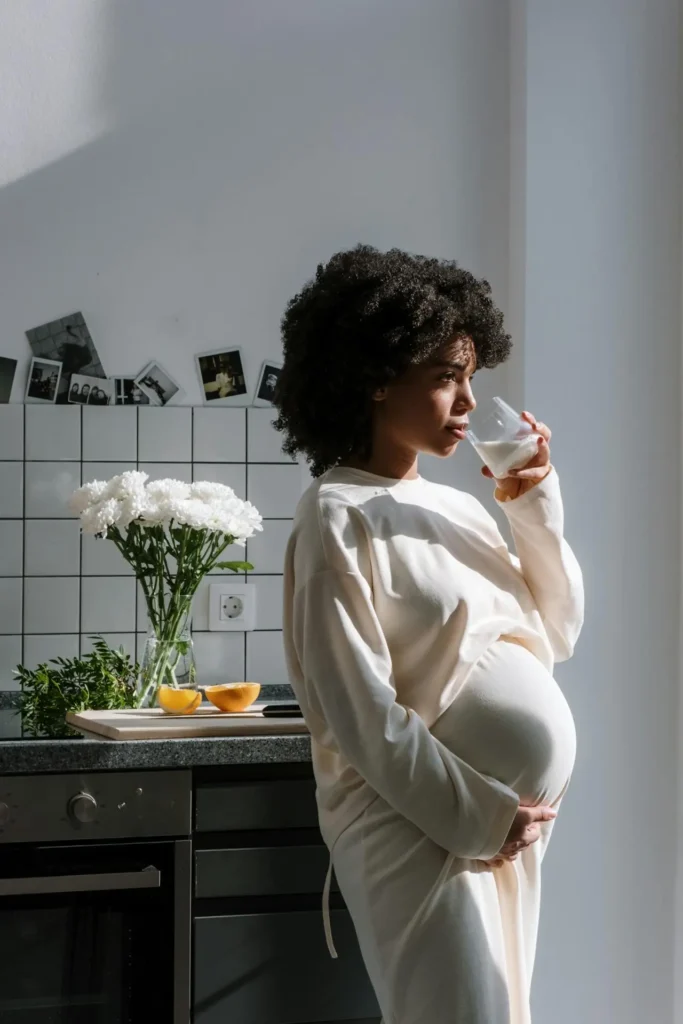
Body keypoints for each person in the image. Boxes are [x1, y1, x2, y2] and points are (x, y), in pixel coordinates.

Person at [274, 245, 584, 1024]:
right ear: (377, 376)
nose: (468, 402)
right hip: (421, 829)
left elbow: (557, 632)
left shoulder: (461, 508)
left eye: (471, 377)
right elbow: (359, 713)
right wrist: (483, 816)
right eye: (447, 376)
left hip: (503, 830)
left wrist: (529, 501)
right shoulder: (333, 515)